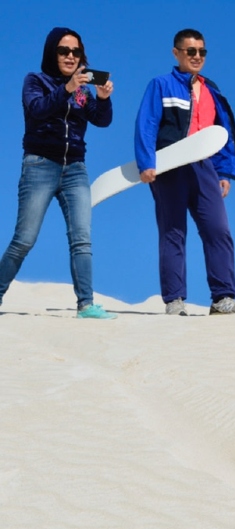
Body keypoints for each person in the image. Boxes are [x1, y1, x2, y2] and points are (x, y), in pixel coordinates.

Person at [135, 28, 235, 316]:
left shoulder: (212, 90)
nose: (197, 56)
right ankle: (175, 301)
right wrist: (145, 162)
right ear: (176, 53)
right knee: (173, 231)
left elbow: (220, 132)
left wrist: (223, 171)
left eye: (202, 51)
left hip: (204, 168)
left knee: (218, 230)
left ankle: (222, 298)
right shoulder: (161, 85)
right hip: (169, 166)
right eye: (191, 51)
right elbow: (147, 124)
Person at [0, 27, 115, 319]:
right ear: (53, 53)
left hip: (75, 168)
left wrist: (102, 98)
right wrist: (66, 89)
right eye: (64, 51)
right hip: (40, 165)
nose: (70, 56)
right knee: (24, 239)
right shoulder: (35, 81)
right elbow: (37, 109)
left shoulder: (82, 91)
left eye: (76, 52)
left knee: (82, 238)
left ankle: (86, 304)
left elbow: (102, 121)